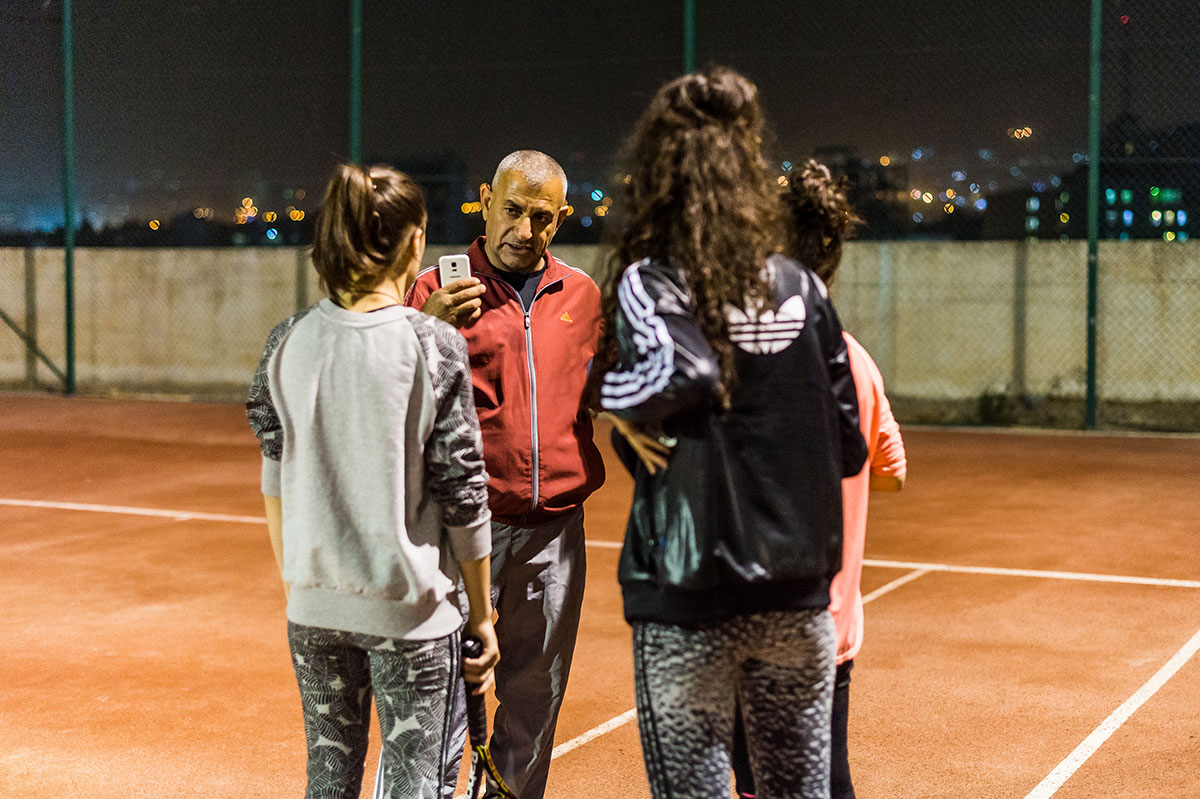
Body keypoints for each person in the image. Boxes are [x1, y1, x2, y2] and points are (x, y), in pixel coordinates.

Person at [593, 68, 869, 799]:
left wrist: (607, 395)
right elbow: (849, 445)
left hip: (691, 598)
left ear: (655, 170)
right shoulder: (803, 286)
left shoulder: (655, 281)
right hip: (798, 600)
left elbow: (682, 372)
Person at [246, 164, 499, 799]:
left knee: (328, 782)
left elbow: (273, 482)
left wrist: (299, 585)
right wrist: (483, 614)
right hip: (410, 613)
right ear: (415, 243)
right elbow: (463, 490)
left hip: (314, 610)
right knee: (419, 787)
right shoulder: (432, 344)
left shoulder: (287, 342)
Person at [403, 150, 606, 799]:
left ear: (561, 218)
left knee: (534, 697)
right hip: (461, 532)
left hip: (555, 537)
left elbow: (604, 394)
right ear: (486, 200)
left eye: (542, 217)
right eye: (513, 209)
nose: (525, 227)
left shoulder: (582, 296)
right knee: (443, 698)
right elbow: (394, 401)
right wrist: (426, 329)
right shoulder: (432, 290)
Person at [730, 160, 908, 799]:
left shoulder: (740, 354)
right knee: (825, 778)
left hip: (750, 616)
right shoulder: (855, 359)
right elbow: (889, 473)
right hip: (830, 623)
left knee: (757, 780)